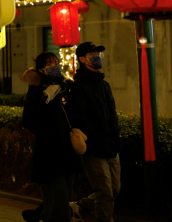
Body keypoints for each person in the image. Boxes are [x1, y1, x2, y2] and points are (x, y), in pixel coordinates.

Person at [21, 52, 81, 222]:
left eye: (56, 62)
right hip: (49, 155)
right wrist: (51, 135)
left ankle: (40, 216)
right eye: (49, 64)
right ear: (41, 69)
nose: (55, 66)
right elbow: (29, 119)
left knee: (62, 198)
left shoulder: (64, 87)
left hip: (67, 153)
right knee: (59, 204)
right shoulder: (37, 90)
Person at [66, 42, 122, 222]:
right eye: (92, 54)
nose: (97, 57)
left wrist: (115, 137)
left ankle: (81, 207)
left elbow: (111, 115)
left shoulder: (104, 84)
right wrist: (94, 138)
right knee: (105, 192)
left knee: (115, 189)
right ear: (82, 59)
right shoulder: (78, 87)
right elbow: (79, 118)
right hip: (94, 148)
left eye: (98, 53)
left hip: (111, 145)